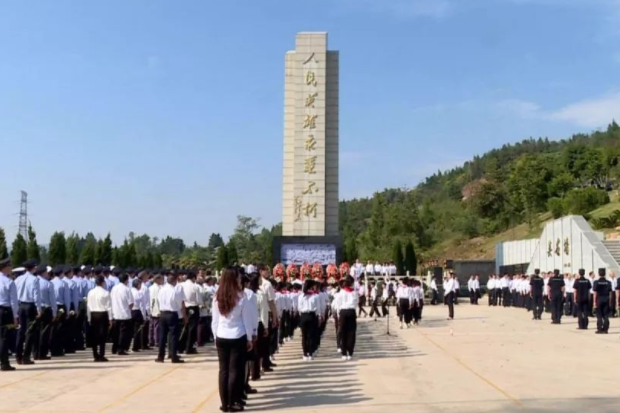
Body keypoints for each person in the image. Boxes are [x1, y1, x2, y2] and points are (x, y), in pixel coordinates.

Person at [211, 267, 254, 413]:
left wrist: (215, 336)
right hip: (237, 335)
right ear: (234, 279)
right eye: (238, 277)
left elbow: (215, 321)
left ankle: (224, 403)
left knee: (223, 371)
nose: (240, 279)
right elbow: (246, 321)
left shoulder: (217, 297)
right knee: (234, 370)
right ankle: (232, 402)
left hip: (221, 335)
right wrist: (249, 338)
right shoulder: (241, 298)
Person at [14, 260, 41, 365]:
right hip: (30, 306)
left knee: (21, 332)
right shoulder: (35, 279)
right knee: (30, 332)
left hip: (21, 306)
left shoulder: (18, 279)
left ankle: (18, 356)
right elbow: (36, 296)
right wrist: (39, 309)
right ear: (34, 268)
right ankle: (26, 357)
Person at [155, 273, 186, 363]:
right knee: (173, 336)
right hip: (172, 314)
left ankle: (161, 356)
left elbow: (158, 301)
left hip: (163, 313)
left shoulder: (161, 289)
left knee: (162, 336)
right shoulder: (174, 291)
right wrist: (183, 315)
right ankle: (173, 356)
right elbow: (179, 304)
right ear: (175, 280)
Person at [87, 275, 112, 362]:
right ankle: (101, 355)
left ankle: (95, 354)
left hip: (93, 314)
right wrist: (110, 319)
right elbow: (109, 307)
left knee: (94, 335)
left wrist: (89, 318)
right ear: (102, 282)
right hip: (102, 314)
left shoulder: (90, 292)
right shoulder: (106, 293)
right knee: (102, 336)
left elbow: (88, 306)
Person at [34, 264, 56, 361]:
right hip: (46, 309)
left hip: (35, 309)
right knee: (45, 333)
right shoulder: (48, 284)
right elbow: (52, 300)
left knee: (35, 332)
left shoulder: (34, 281)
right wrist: (54, 313)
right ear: (44, 272)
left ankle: (35, 353)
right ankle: (42, 353)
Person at [0, 258, 19, 371]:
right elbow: (13, 301)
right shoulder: (9, 282)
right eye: (10, 266)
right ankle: (4, 363)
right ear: (5, 267)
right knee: (4, 338)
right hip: (5, 311)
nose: (11, 268)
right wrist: (15, 316)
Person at [334, 276, 358, 361]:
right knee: (351, 332)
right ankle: (350, 352)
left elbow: (338, 305)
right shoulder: (354, 292)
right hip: (351, 311)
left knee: (343, 332)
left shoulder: (341, 293)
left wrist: (338, 314)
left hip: (343, 312)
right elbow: (356, 303)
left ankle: (344, 353)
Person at [110, 273, 134, 355]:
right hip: (124, 314)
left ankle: (114, 348)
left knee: (116, 332)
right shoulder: (127, 289)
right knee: (123, 333)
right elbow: (131, 303)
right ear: (126, 280)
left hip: (115, 313)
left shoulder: (114, 288)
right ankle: (121, 349)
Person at [180, 271, 202, 355]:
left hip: (183, 307)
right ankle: (189, 347)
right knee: (191, 329)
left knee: (184, 328)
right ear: (193, 278)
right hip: (192, 307)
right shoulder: (195, 286)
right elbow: (199, 300)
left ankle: (181, 347)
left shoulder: (181, 285)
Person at [298, 279, 319, 361]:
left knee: (304, 336)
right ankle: (310, 353)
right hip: (311, 315)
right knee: (311, 335)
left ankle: (305, 353)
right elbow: (317, 308)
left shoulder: (301, 296)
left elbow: (299, 308)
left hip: (303, 316)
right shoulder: (315, 296)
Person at [593, 268, 612, 334]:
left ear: (598, 274)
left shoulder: (596, 282)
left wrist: (594, 302)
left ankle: (600, 329)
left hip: (599, 299)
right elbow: (610, 293)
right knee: (606, 315)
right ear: (605, 274)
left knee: (599, 315)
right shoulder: (608, 282)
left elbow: (595, 293)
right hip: (606, 299)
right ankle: (606, 329)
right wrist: (610, 302)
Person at [130, 278, 147, 352]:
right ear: (138, 285)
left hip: (130, 311)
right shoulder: (139, 293)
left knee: (129, 330)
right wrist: (144, 316)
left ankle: (126, 346)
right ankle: (135, 346)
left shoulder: (129, 291)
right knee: (137, 330)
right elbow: (142, 305)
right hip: (137, 311)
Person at [149, 273, 163, 347]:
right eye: (161, 279)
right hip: (156, 309)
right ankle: (157, 341)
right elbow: (157, 300)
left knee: (152, 326)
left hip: (152, 308)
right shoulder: (157, 288)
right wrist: (159, 310)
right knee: (157, 326)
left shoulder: (151, 287)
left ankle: (151, 340)